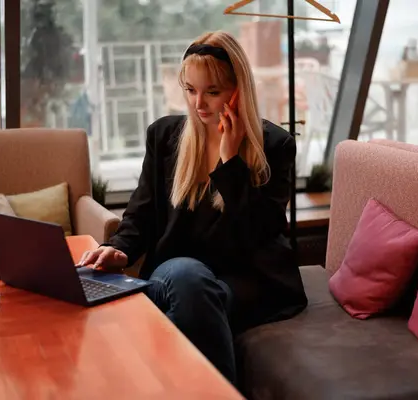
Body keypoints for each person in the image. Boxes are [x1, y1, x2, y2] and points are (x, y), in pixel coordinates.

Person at [77, 30, 307, 386]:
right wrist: (118, 249)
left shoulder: (275, 145)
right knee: (185, 278)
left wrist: (231, 166)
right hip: (174, 275)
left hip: (244, 280)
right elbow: (141, 213)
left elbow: (259, 234)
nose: (199, 103)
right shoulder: (165, 136)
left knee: (184, 302)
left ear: (237, 90)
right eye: (190, 90)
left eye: (212, 92)